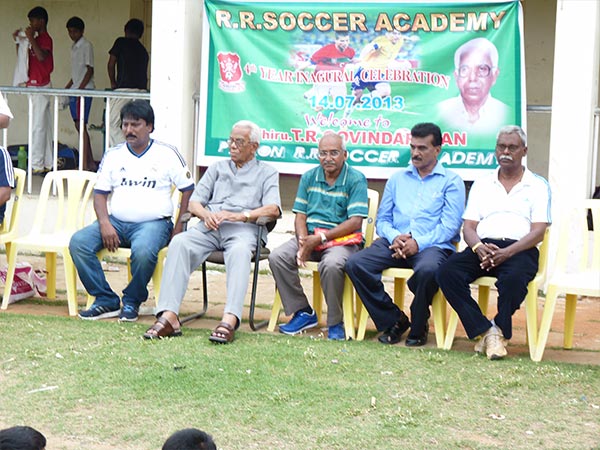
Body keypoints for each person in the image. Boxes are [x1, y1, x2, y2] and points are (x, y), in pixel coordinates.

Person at [143, 120, 281, 343]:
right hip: (210, 227)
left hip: (243, 230)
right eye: (231, 140)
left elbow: (273, 209)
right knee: (180, 243)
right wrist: (205, 215)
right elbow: (194, 203)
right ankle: (169, 316)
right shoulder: (217, 168)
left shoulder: (267, 173)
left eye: (239, 142)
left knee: (239, 252)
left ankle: (230, 319)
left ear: (254, 147)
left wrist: (241, 215)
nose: (232, 146)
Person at [70, 100, 194, 322]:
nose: (129, 130)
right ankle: (105, 299)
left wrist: (179, 227)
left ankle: (132, 300)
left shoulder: (167, 154)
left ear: (150, 127)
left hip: (154, 224)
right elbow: (100, 194)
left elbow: (188, 189)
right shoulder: (113, 155)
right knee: (79, 243)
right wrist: (105, 224)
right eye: (125, 125)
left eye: (135, 125)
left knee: (144, 251)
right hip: (116, 222)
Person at [436, 125, 551, 360]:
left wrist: (507, 253)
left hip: (520, 249)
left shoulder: (538, 185)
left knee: (513, 280)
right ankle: (487, 331)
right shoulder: (482, 183)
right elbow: (468, 227)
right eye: (501, 147)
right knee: (447, 272)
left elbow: (539, 231)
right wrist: (478, 247)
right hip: (483, 248)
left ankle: (499, 327)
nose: (506, 152)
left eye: (512, 147)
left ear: (524, 151)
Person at [345, 122, 465, 346]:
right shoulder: (397, 178)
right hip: (394, 242)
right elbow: (383, 220)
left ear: (437, 150)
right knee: (356, 264)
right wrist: (395, 237)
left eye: (422, 148)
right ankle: (394, 320)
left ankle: (419, 323)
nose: (415, 153)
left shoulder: (451, 181)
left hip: (432, 246)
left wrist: (418, 243)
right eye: (413, 147)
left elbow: (450, 227)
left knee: (428, 270)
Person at [269, 131, 368, 340]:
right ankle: (303, 311)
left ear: (345, 155)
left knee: (331, 265)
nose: (328, 158)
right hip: (310, 237)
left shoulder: (356, 179)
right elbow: (300, 215)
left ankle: (335, 322)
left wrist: (321, 239)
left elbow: (355, 222)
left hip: (341, 241)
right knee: (278, 257)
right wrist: (303, 242)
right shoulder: (309, 177)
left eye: (334, 153)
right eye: (323, 153)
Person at [437, 38, 510, 134]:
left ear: (494, 75)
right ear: (456, 76)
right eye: (465, 69)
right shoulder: (440, 111)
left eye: (482, 69)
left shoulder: (506, 113)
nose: (472, 78)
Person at [13, 6, 53, 175]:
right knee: (43, 125)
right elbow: (23, 58)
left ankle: (36, 164)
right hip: (34, 84)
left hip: (41, 86)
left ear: (41, 21)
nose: (30, 24)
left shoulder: (45, 39)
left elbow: (42, 56)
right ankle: (47, 162)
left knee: (38, 126)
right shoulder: (35, 39)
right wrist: (19, 41)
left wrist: (30, 38)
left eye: (33, 21)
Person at [107, 18, 149, 147]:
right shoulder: (143, 50)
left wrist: (113, 83)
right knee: (137, 125)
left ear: (126, 30)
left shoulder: (121, 42)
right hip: (142, 92)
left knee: (112, 123)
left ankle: (121, 151)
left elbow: (111, 64)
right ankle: (135, 150)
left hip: (124, 90)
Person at [65, 16, 97, 172]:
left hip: (83, 90)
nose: (72, 34)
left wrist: (80, 89)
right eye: (70, 32)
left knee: (81, 125)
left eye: (75, 31)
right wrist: (68, 87)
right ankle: (90, 163)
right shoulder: (74, 47)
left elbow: (90, 70)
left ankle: (84, 165)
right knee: (79, 126)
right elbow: (76, 74)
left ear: (82, 31)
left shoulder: (86, 45)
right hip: (76, 89)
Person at [348, 30, 404, 107]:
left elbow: (403, 37)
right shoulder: (382, 40)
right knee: (356, 95)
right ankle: (350, 109)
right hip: (365, 70)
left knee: (385, 92)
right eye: (394, 34)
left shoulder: (400, 40)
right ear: (387, 34)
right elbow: (369, 47)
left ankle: (364, 99)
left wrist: (410, 38)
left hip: (379, 72)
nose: (396, 36)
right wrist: (360, 58)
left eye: (398, 34)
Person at [307, 32, 355, 110]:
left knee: (340, 103)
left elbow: (349, 60)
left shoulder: (350, 51)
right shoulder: (326, 49)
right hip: (323, 78)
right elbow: (311, 61)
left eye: (347, 40)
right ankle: (313, 93)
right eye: (342, 41)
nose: (345, 43)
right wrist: (299, 69)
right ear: (336, 40)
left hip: (337, 78)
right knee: (319, 107)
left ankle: (312, 93)